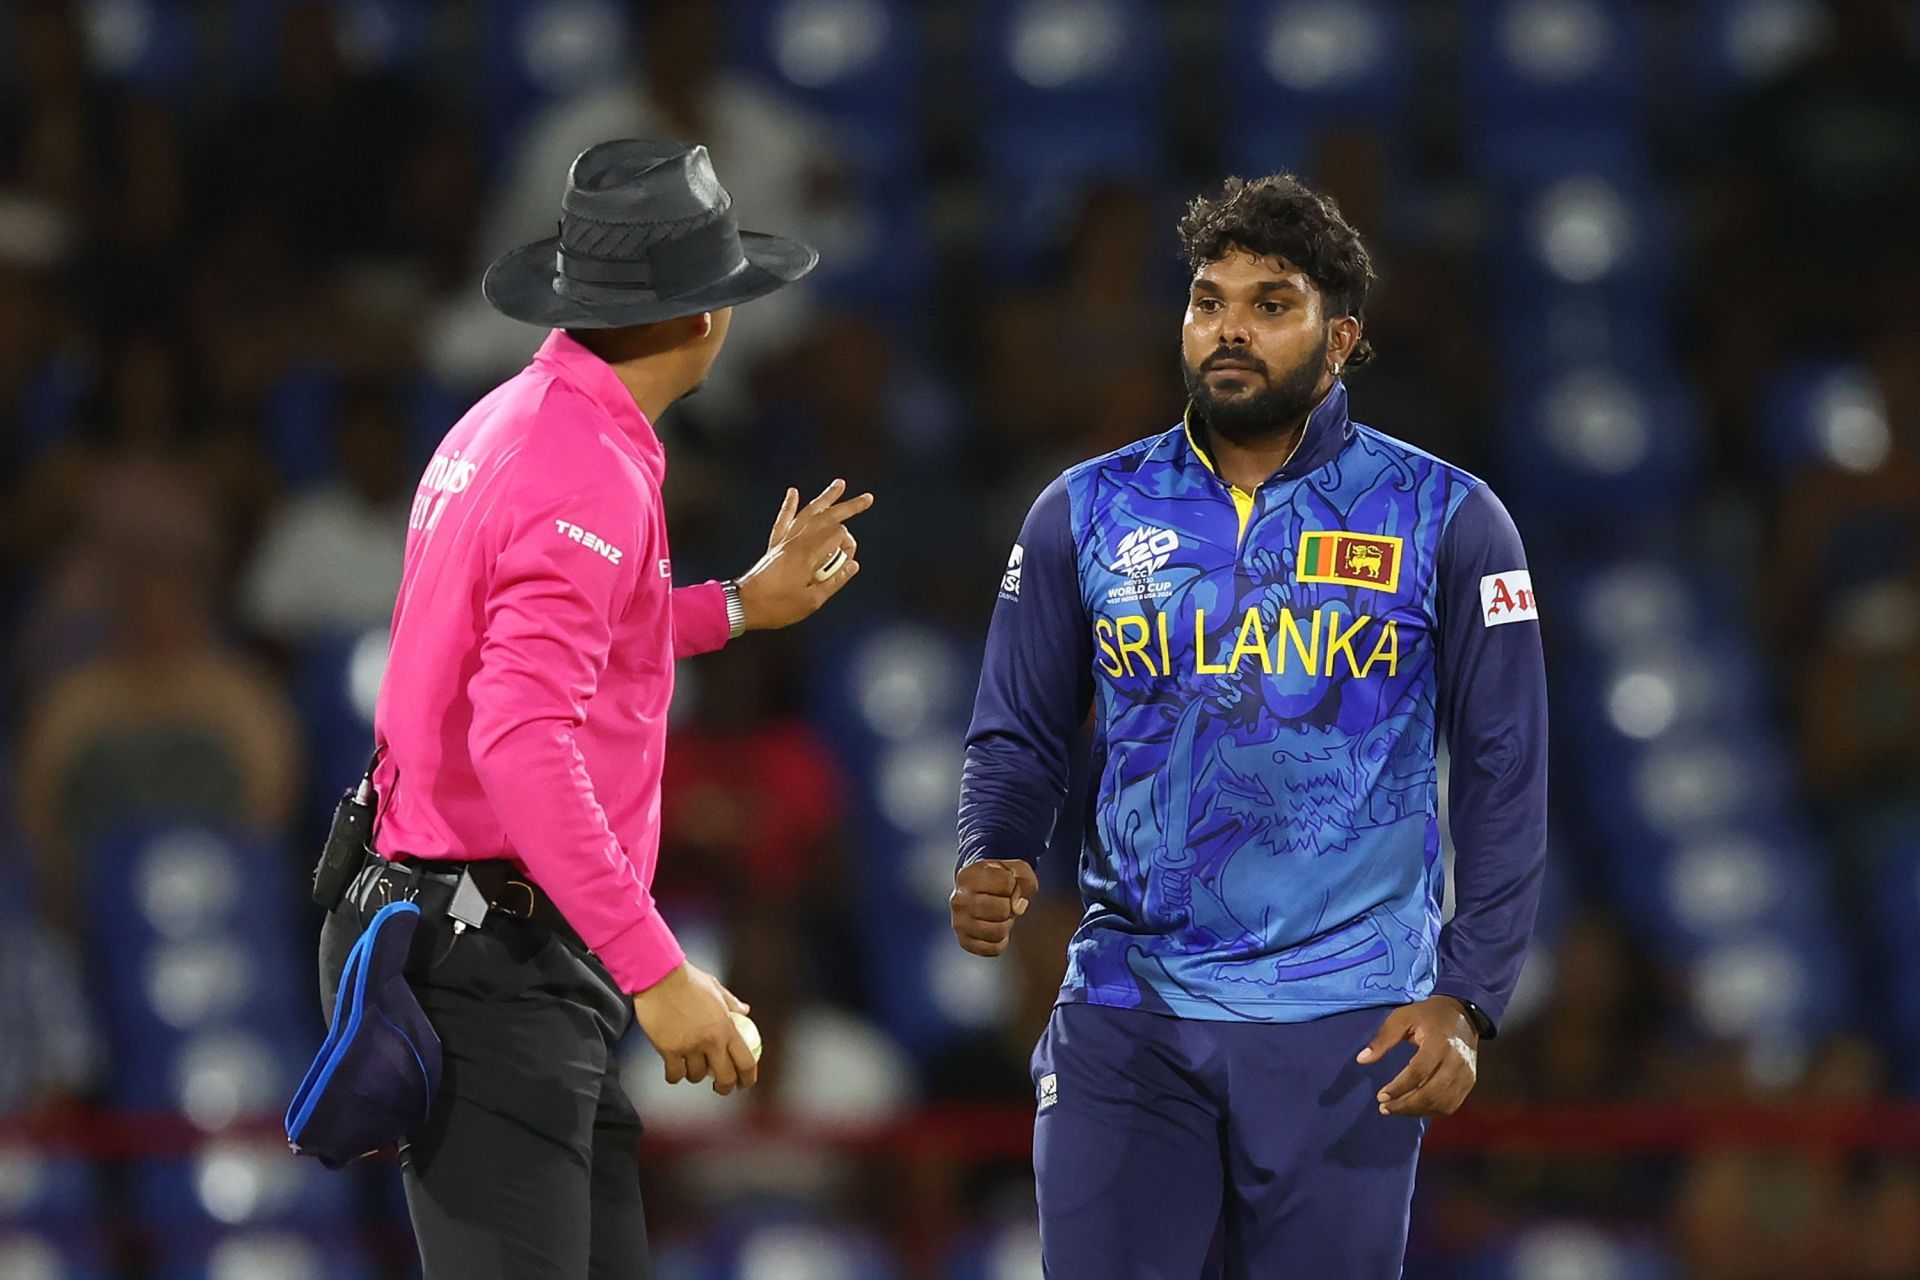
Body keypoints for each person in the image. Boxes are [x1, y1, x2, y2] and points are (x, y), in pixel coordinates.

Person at [951, 172, 1548, 1277]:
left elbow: (1507, 771)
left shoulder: (1450, 517)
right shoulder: (1085, 507)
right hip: (1128, 1006)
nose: (1229, 328)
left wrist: (1469, 994)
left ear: (1340, 336)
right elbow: (1020, 730)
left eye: (1270, 303)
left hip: (1347, 1020)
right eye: (1207, 300)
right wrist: (994, 845)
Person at [317, 139, 870, 1279]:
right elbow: (520, 736)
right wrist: (659, 972)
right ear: (704, 315)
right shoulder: (584, 469)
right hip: (492, 959)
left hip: (480, 935)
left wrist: (731, 608)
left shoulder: (509, 423)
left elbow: (552, 644)